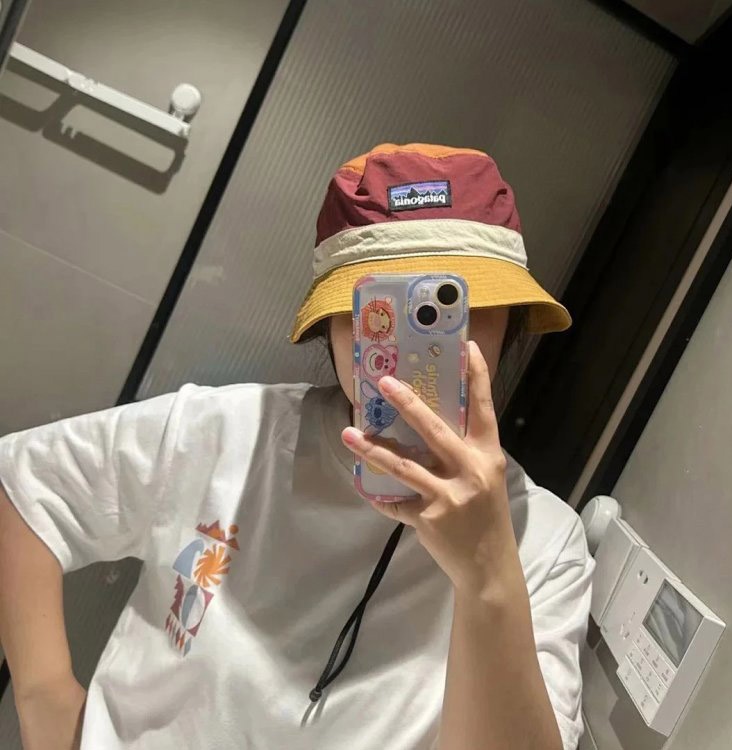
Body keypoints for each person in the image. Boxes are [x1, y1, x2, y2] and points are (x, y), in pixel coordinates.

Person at [0, 142, 594, 750]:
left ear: (510, 321)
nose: (416, 350)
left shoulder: (544, 543)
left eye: (449, 307)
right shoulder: (223, 431)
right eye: (382, 311)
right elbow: (20, 486)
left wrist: (488, 578)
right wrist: (44, 699)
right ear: (331, 326)